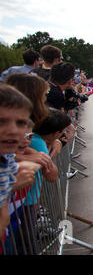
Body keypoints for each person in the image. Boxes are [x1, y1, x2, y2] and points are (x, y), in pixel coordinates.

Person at [0, 84, 39, 239]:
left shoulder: (7, 155)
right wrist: (13, 184)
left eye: (21, 123)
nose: (13, 130)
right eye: (1, 121)